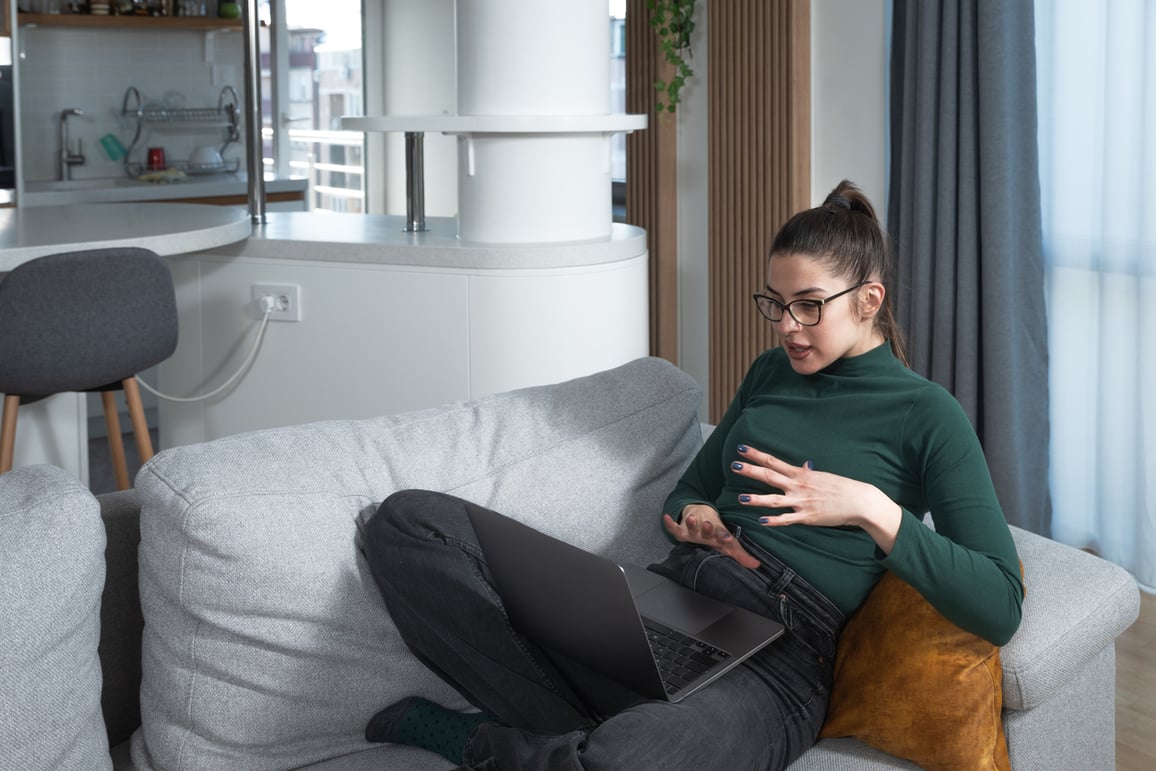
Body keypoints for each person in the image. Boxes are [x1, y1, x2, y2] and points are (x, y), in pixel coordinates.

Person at [361, 180, 1024, 770]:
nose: (788, 327)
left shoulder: (926, 414)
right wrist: (695, 519)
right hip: (674, 601)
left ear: (869, 299)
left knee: (633, 758)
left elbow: (997, 602)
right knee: (408, 524)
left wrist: (872, 509)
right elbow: (690, 490)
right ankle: (571, 731)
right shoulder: (770, 375)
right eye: (777, 303)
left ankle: (489, 744)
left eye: (810, 305)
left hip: (781, 662)